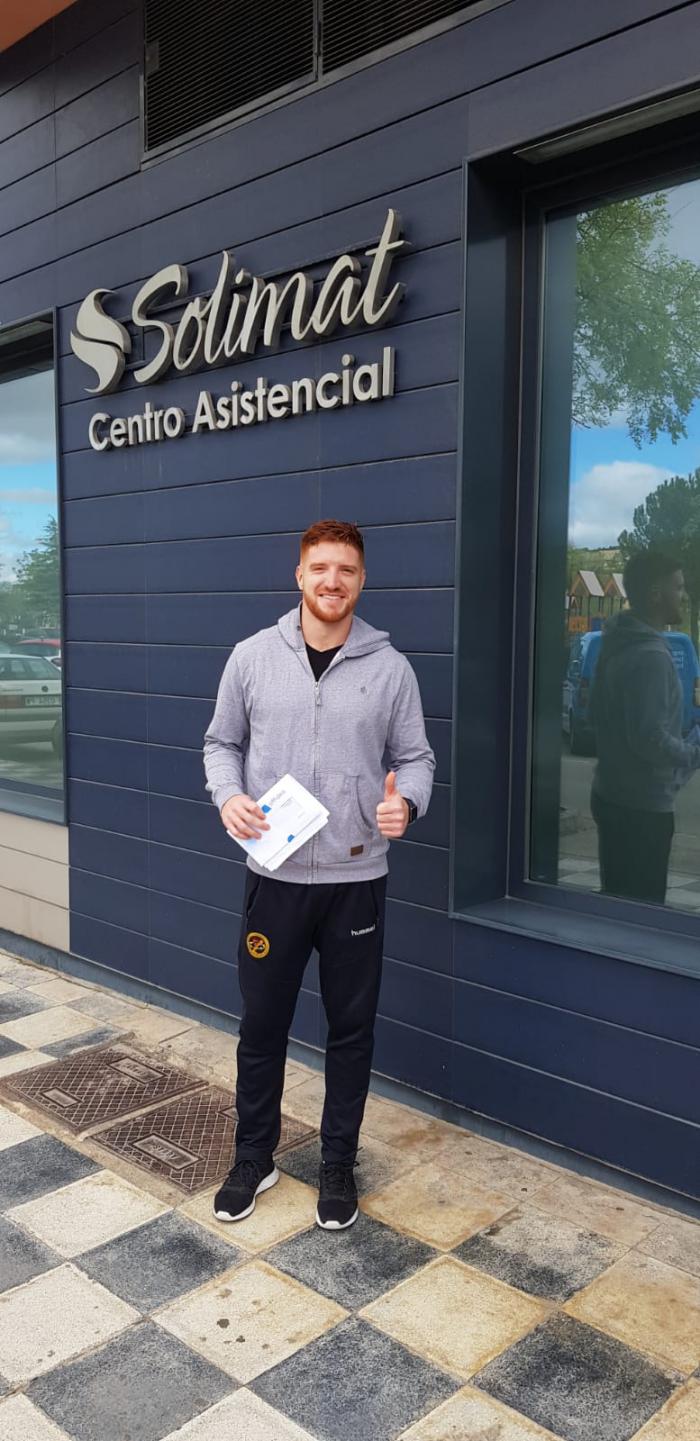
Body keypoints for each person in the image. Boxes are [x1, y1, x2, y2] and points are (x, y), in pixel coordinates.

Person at [203, 519, 435, 1230]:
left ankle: (338, 1162)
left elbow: (418, 757)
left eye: (347, 570)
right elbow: (221, 743)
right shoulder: (251, 657)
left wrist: (409, 803)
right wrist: (229, 796)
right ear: (298, 575)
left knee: (350, 1029)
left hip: (354, 880)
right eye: (321, 568)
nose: (333, 581)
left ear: (362, 581)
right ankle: (254, 1157)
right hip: (272, 876)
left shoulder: (389, 668)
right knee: (262, 1024)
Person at [589, 551, 700, 905]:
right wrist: (692, 752)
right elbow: (649, 740)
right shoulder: (651, 656)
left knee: (617, 902)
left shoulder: (616, 641)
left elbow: (600, 717)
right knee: (643, 910)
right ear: (656, 594)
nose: (684, 595)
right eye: (679, 587)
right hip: (642, 810)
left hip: (611, 795)